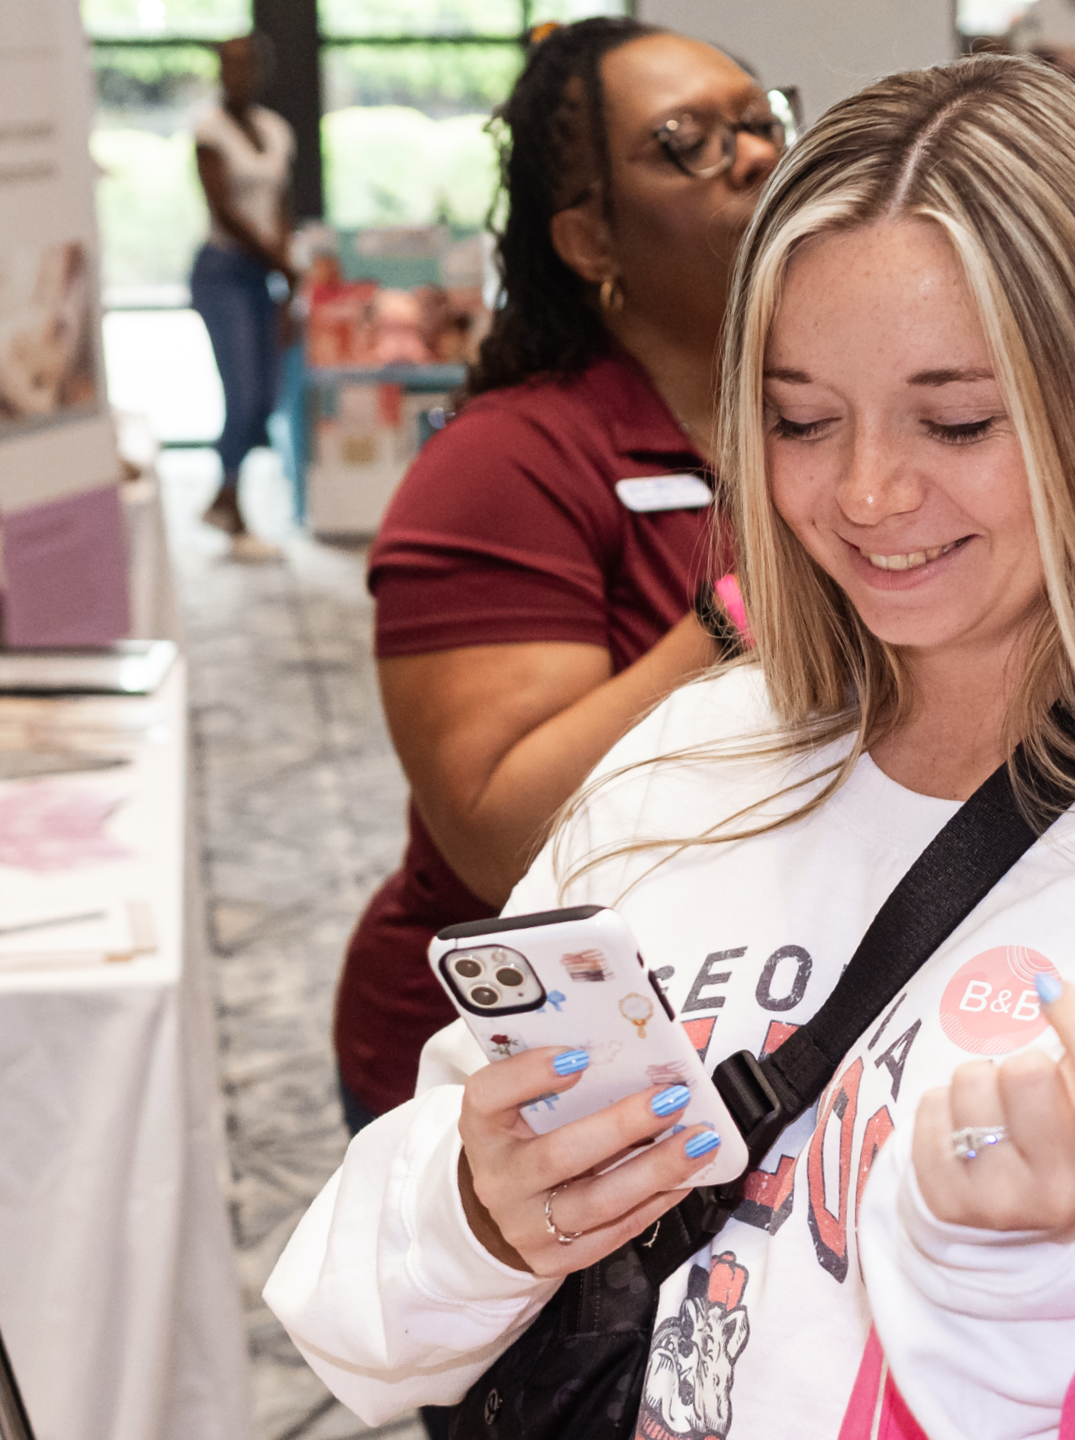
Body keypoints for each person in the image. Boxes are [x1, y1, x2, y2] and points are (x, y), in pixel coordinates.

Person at [268, 54, 1075, 1435]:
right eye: (801, 419)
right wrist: (482, 1212)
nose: (867, 492)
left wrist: (1031, 1296)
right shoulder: (690, 758)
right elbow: (359, 1316)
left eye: (957, 420)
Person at [335, 19, 781, 1137]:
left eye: (759, 119)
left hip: (735, 1003)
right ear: (587, 240)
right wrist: (740, 614)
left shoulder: (816, 414)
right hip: (514, 1066)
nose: (756, 156)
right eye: (687, 142)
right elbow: (499, 838)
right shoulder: (503, 463)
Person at [190, 33, 295, 562]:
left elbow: (279, 207)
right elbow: (225, 212)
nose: (238, 74)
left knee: (267, 396)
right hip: (224, 271)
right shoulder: (209, 131)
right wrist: (277, 260)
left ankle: (224, 497)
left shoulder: (275, 131)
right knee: (243, 391)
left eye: (247, 64)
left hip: (264, 274)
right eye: (229, 65)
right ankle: (233, 504)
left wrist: (287, 271)